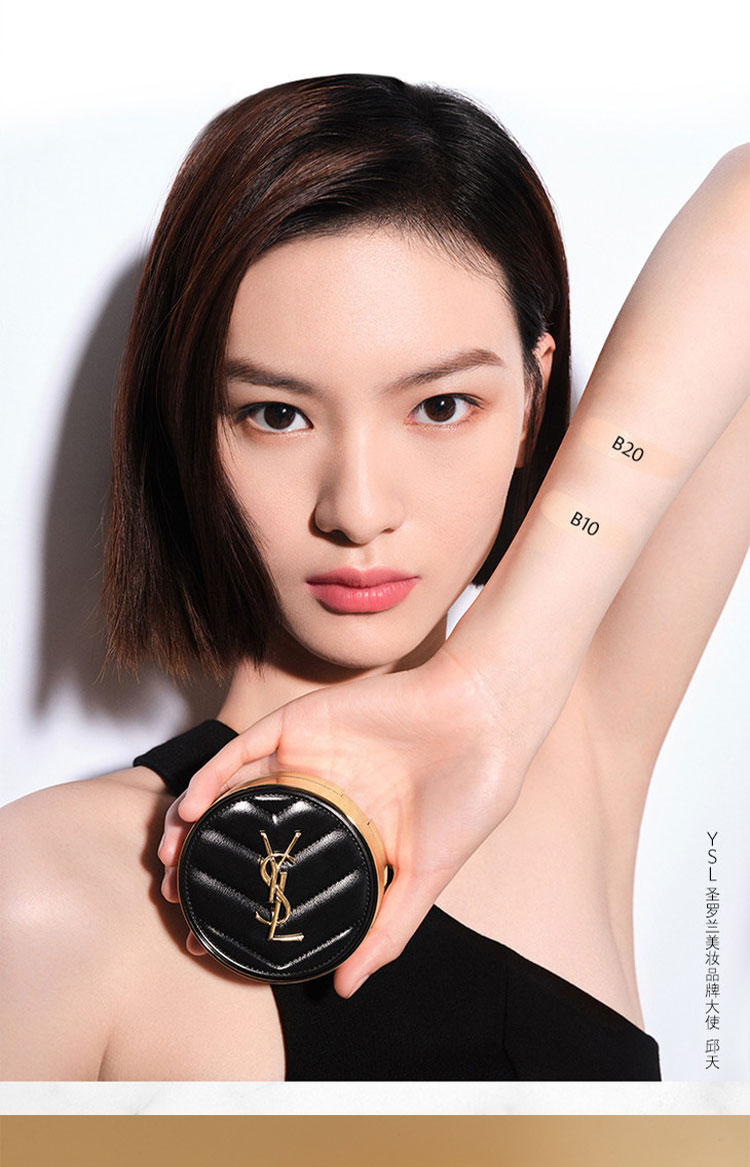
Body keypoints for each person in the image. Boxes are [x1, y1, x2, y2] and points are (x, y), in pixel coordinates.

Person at [0, 74, 747, 1081]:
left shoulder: (577, 746)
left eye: (440, 406)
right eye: (276, 414)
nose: (355, 509)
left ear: (534, 397)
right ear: (191, 428)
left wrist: (496, 688)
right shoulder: (46, 895)